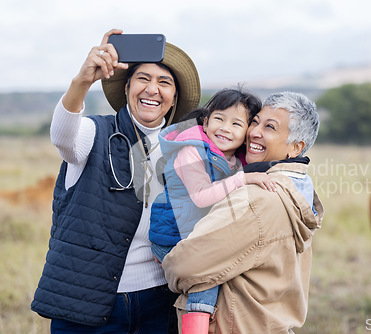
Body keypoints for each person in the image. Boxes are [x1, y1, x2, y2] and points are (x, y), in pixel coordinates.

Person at [31, 29, 201, 333]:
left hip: (159, 302)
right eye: (143, 79)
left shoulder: (182, 149)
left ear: (174, 96)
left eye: (164, 82)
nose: (152, 89)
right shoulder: (93, 133)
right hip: (87, 304)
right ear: (126, 88)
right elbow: (62, 135)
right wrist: (82, 80)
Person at [163, 91, 325, 333]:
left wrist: (168, 266)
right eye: (255, 122)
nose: (254, 132)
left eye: (270, 127)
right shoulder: (298, 189)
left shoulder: (256, 197)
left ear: (296, 147)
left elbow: (184, 265)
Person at [150, 87, 276, 333]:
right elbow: (201, 197)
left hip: (195, 235)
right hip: (171, 236)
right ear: (206, 122)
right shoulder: (192, 151)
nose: (226, 128)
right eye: (219, 119)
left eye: (237, 124)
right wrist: (243, 179)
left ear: (247, 133)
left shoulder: (235, 160)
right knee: (206, 278)